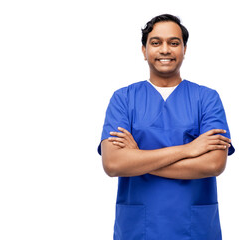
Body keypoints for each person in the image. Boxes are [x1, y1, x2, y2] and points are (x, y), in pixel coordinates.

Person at [98, 14, 235, 240]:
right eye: (156, 42)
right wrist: (188, 149)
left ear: (184, 49)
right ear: (144, 50)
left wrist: (137, 158)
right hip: (139, 229)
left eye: (173, 43)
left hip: (194, 229)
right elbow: (113, 164)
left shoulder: (207, 98)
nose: (165, 50)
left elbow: (214, 163)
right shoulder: (123, 99)